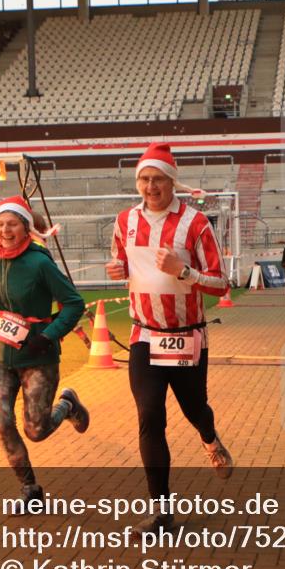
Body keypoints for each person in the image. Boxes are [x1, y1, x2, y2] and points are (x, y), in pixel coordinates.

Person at [105, 143, 233, 534]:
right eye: (144, 179)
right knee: (150, 419)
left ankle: (209, 438)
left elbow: (221, 283)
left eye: (157, 178)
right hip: (145, 335)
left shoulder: (195, 223)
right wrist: (116, 269)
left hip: (187, 336)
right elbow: (122, 263)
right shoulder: (125, 220)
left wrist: (186, 272)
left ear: (171, 180)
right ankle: (161, 511)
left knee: (195, 409)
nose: (150, 186)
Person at [0, 196, 89, 505]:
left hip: (38, 355)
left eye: (12, 224)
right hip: (0, 356)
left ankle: (67, 405)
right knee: (0, 421)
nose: (5, 230)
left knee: (36, 430)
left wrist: (48, 336)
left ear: (25, 227)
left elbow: (74, 303)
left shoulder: (40, 263)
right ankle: (30, 489)